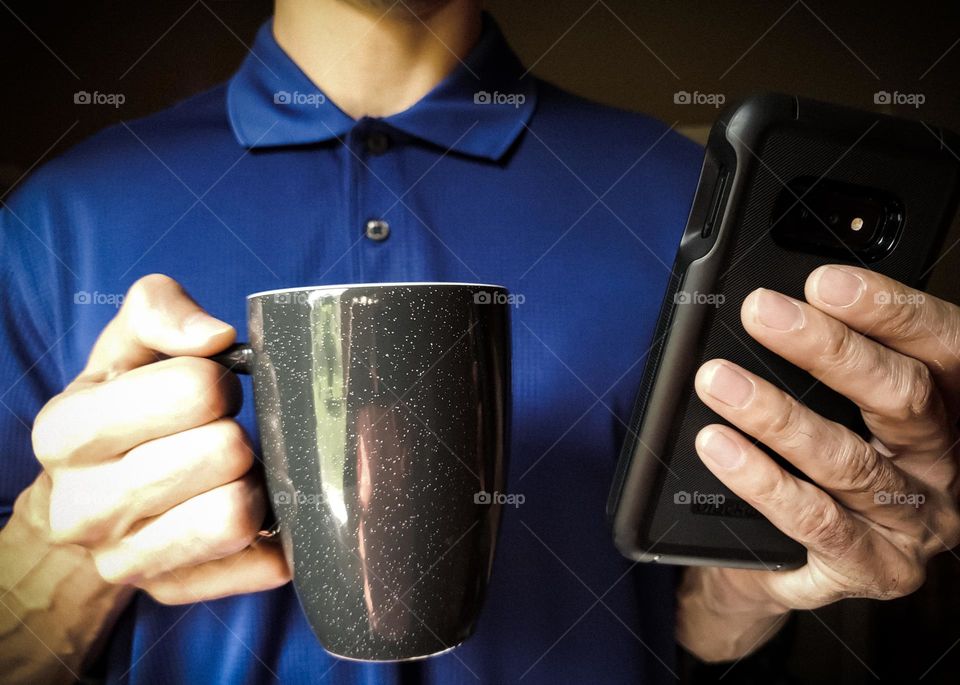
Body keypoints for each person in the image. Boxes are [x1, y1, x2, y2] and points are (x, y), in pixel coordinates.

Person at [1, 0, 958, 682]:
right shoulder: (56, 219)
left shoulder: (687, 203)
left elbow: (697, 630)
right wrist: (58, 558)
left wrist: (740, 609)